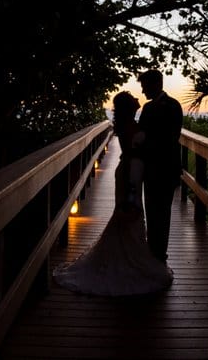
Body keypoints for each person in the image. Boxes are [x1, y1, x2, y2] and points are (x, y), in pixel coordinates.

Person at [52, 91, 173, 296]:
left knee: (127, 214)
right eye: (132, 97)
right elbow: (137, 150)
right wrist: (133, 187)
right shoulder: (130, 126)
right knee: (130, 210)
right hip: (130, 172)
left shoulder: (128, 123)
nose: (137, 98)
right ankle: (127, 259)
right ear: (129, 105)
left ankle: (125, 251)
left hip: (130, 169)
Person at [137, 69, 183, 263]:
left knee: (162, 213)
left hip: (165, 168)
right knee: (151, 210)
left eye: (145, 86)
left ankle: (159, 254)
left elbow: (172, 137)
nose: (143, 91)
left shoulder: (173, 106)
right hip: (150, 169)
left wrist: (146, 144)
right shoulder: (147, 108)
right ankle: (152, 251)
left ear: (156, 84)